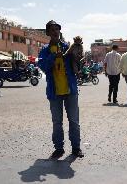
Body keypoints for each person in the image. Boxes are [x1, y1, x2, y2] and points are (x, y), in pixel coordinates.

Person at [38, 20, 84, 158]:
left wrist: (78, 56)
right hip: (54, 92)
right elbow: (43, 67)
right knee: (57, 122)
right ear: (48, 33)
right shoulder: (45, 51)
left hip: (71, 90)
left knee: (74, 121)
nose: (55, 32)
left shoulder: (66, 47)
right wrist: (53, 57)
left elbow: (77, 64)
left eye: (57, 29)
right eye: (52, 30)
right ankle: (59, 148)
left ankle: (76, 148)